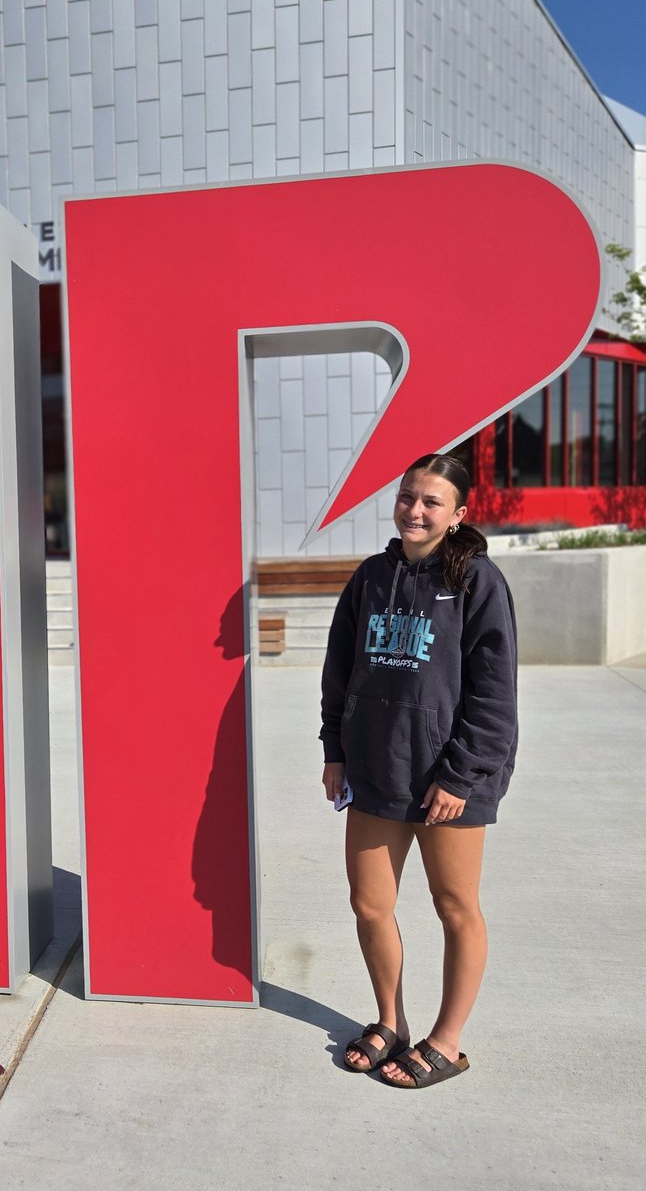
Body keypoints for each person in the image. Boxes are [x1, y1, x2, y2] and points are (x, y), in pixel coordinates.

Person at [319, 452, 518, 1089]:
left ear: (458, 514)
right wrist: (334, 750)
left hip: (449, 778)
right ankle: (391, 1022)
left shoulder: (478, 582)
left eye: (432, 501)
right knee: (369, 903)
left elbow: (494, 694)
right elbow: (339, 669)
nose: (415, 510)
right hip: (377, 767)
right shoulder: (371, 577)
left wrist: (461, 776)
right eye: (409, 496)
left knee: (454, 905)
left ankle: (448, 1042)